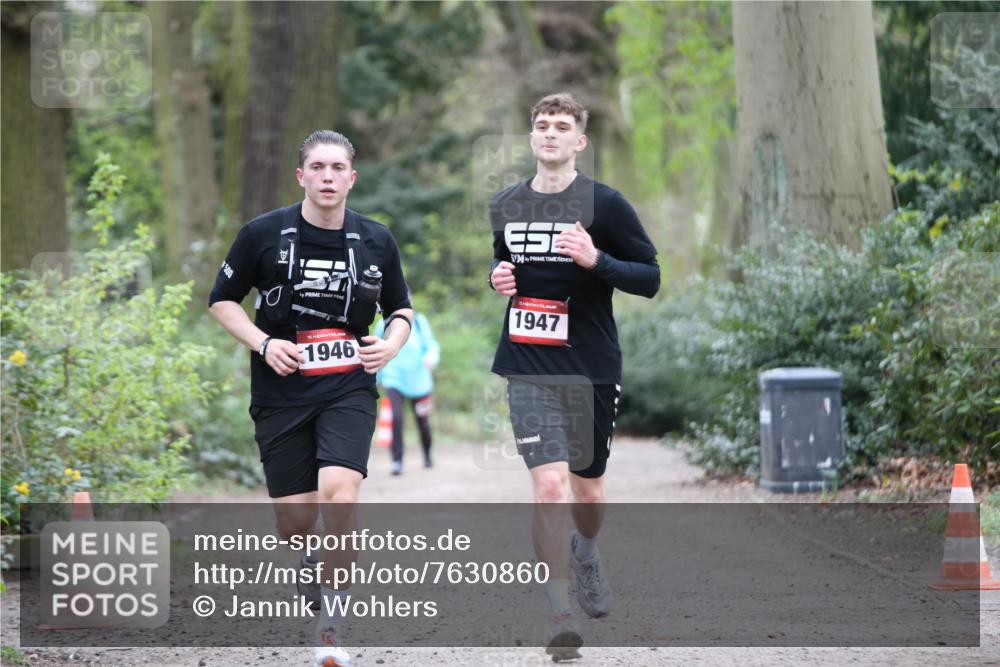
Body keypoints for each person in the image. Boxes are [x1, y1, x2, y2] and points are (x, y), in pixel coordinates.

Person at [209, 130, 413, 667]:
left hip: (348, 385)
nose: (327, 177)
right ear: (301, 175)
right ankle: (306, 556)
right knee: (296, 523)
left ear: (352, 177)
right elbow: (222, 301)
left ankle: (330, 630)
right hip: (280, 391)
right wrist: (264, 341)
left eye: (337, 167)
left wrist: (389, 346)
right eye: (317, 167)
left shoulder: (376, 240)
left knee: (340, 496)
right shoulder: (262, 234)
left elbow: (401, 309)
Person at [488, 93, 660, 659]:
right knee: (549, 485)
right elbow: (502, 260)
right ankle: (560, 613)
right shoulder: (507, 204)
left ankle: (586, 552)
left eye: (562, 127)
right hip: (528, 363)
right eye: (542, 126)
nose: (551, 134)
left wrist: (597, 262)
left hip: (589, 367)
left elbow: (649, 277)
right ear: (532, 138)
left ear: (580, 141)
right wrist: (499, 277)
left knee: (587, 490)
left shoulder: (605, 205)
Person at [374, 303, 440, 474]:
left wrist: (430, 357)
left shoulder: (419, 321)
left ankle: (427, 455)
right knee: (396, 418)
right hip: (393, 378)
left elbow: (431, 345)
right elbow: (375, 349)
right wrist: (375, 377)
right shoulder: (383, 324)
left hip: (420, 380)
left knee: (423, 421)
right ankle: (397, 461)